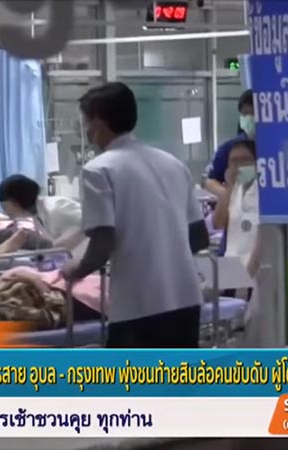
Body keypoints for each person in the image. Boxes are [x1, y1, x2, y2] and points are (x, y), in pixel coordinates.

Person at [58, 81, 211, 348]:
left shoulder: (98, 170)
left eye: (86, 123)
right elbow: (198, 237)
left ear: (98, 123)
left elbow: (102, 242)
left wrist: (76, 270)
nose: (87, 132)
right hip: (186, 299)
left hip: (139, 306)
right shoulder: (174, 164)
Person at [204, 89, 255, 255]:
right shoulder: (231, 147)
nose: (239, 165)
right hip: (233, 251)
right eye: (245, 114)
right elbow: (210, 180)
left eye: (253, 113)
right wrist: (230, 192)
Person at [213, 140, 260, 298]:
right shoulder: (234, 190)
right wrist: (229, 187)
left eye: (245, 160)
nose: (238, 166)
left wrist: (247, 278)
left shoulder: (264, 192)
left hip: (254, 270)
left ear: (256, 162)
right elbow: (218, 223)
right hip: (231, 268)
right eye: (233, 161)